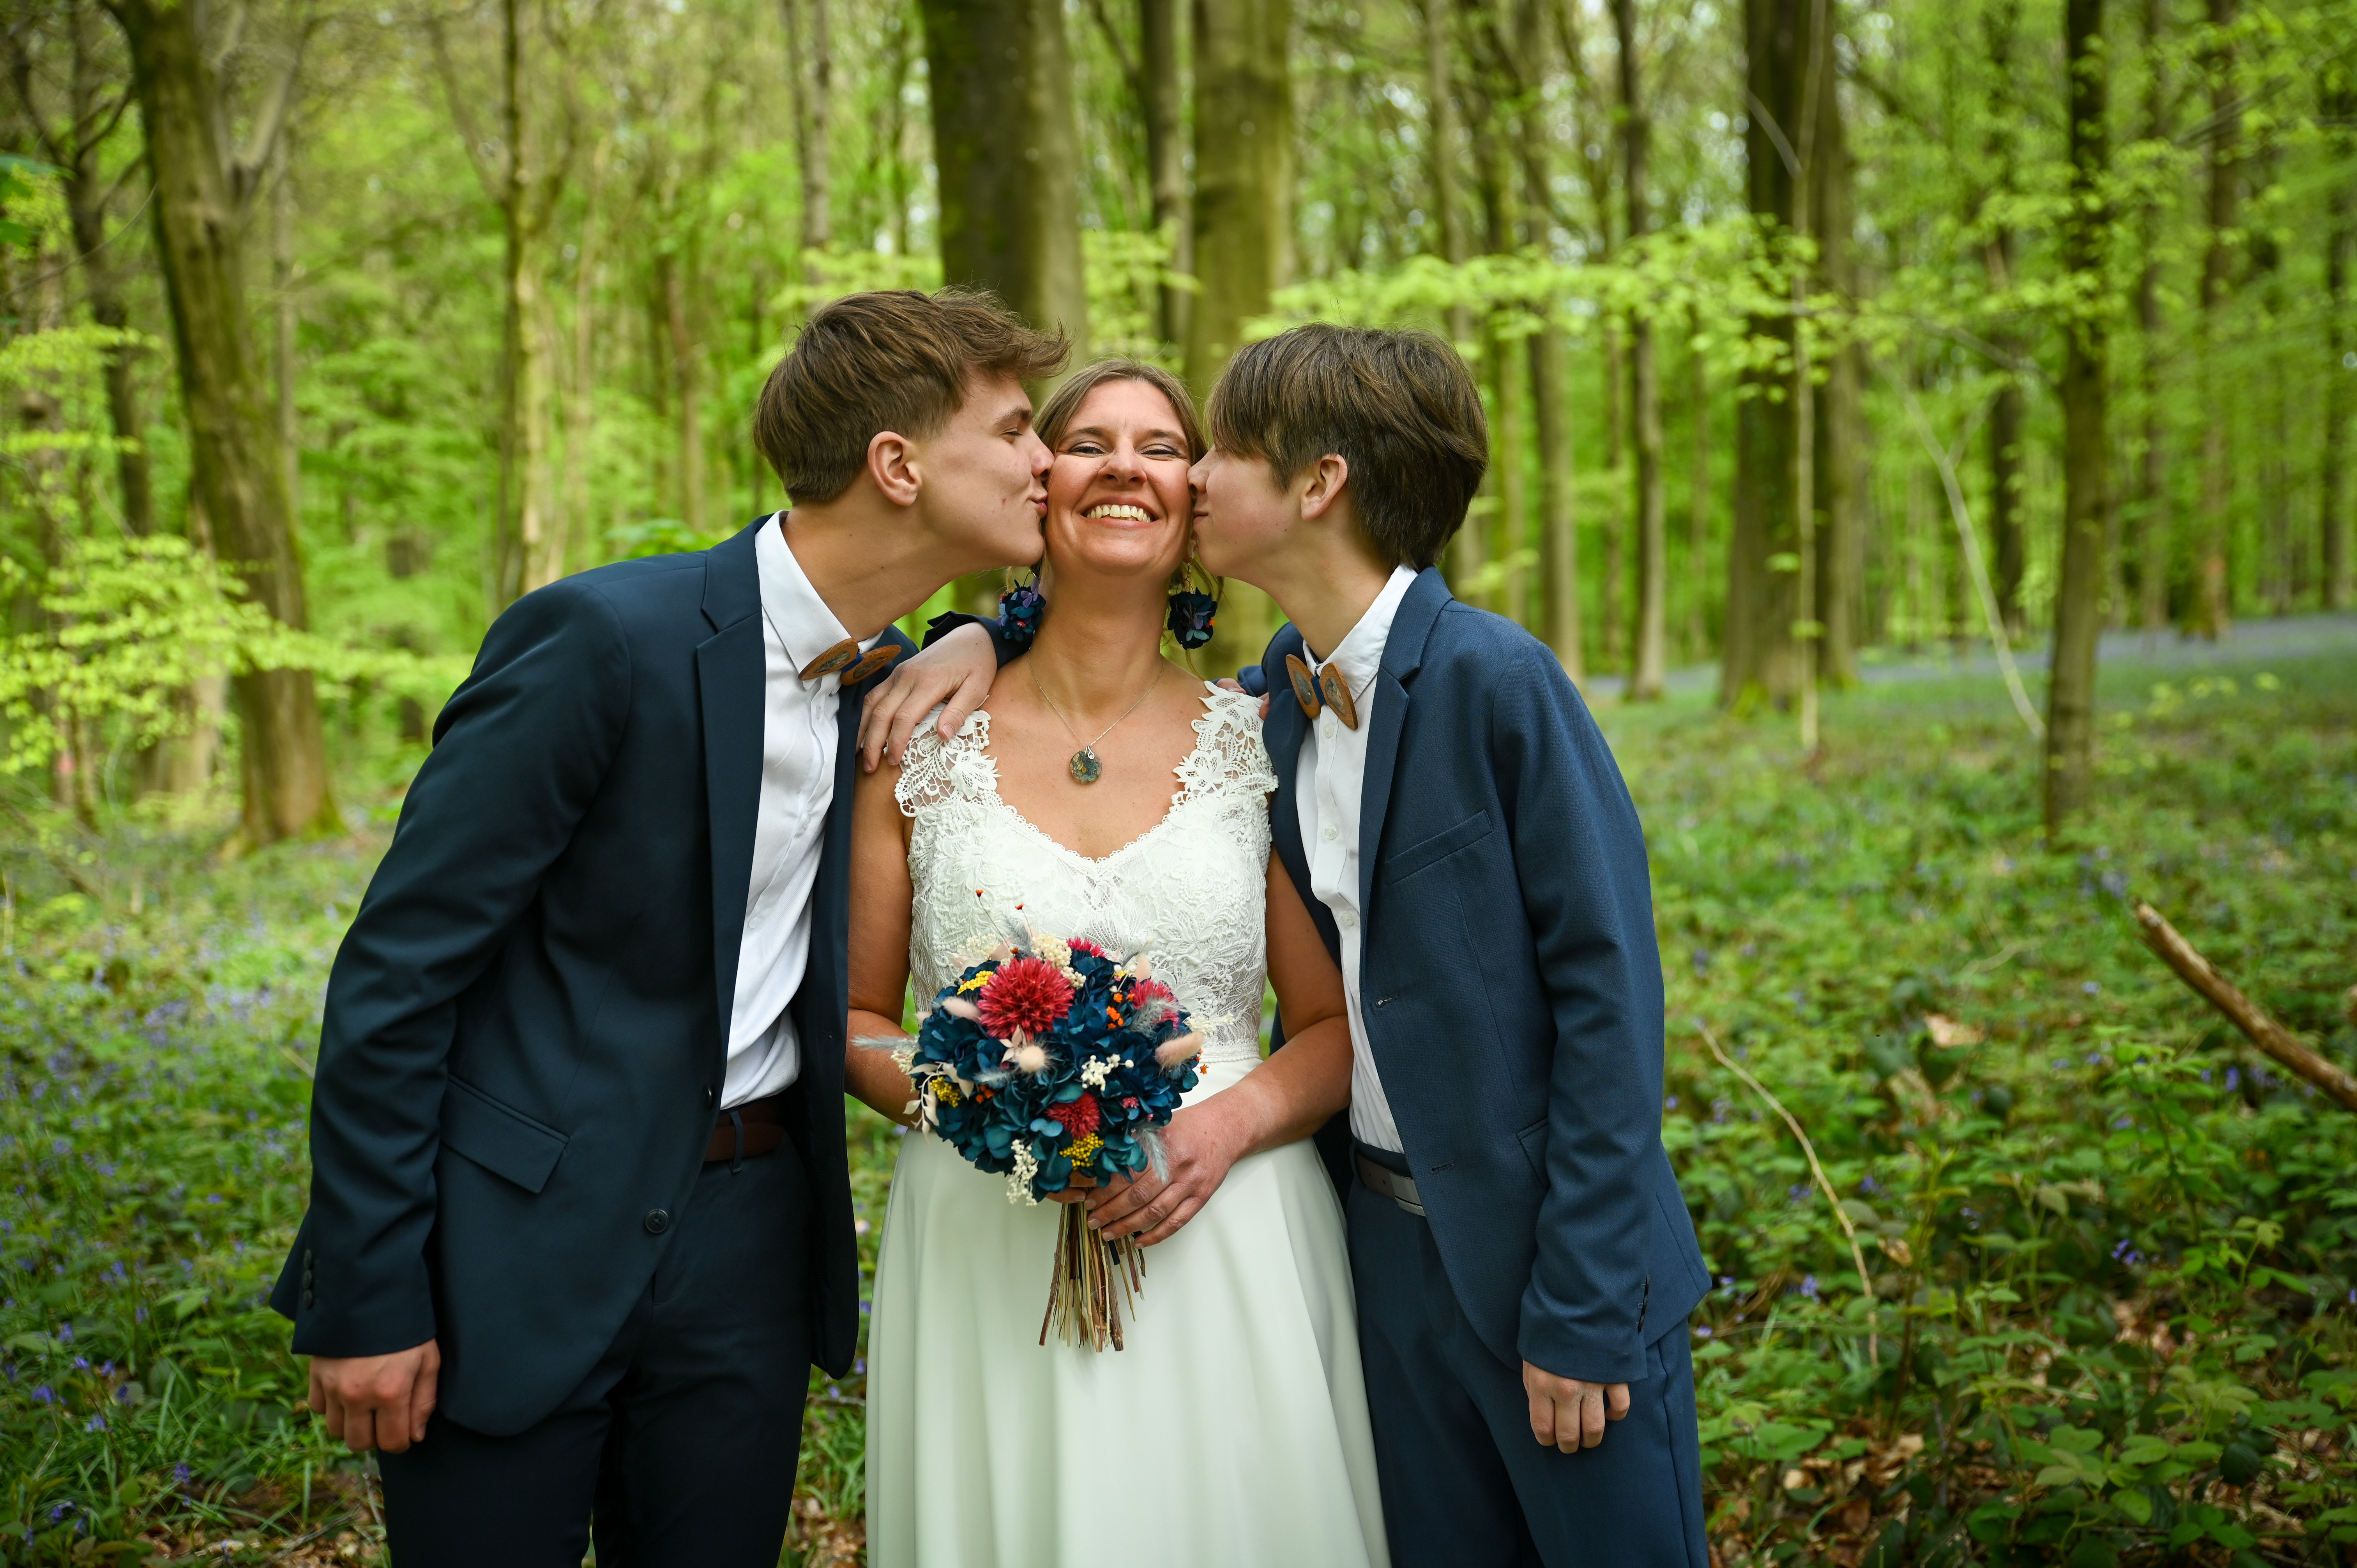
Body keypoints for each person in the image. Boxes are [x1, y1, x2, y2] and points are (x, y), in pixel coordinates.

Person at [865, 326, 1710, 1566]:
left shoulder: (1440, 690)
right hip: (1367, 1252)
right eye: (1090, 443)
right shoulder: (1293, 700)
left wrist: (1584, 1305)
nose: (1179, 478)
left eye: (1198, 451)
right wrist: (977, 630)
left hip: (1495, 1256)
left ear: (1312, 486)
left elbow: (1605, 999)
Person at [269, 289, 1066, 1567]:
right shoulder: (602, 641)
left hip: (750, 1245)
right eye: (1021, 430)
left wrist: (982, 631)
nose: (1050, 462)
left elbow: (1112, 626)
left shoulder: (893, 673)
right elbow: (396, 977)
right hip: (513, 1246)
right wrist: (366, 1296)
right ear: (899, 465)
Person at [844, 359, 1389, 1568]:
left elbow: (1330, 1027)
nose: (1124, 467)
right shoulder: (913, 736)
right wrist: (982, 1103)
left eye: (1158, 446)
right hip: (986, 1236)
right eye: (1087, 442)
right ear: (1040, 488)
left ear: (1196, 503)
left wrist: (1222, 1130)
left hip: (1228, 1231)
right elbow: (853, 1015)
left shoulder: (1265, 739)